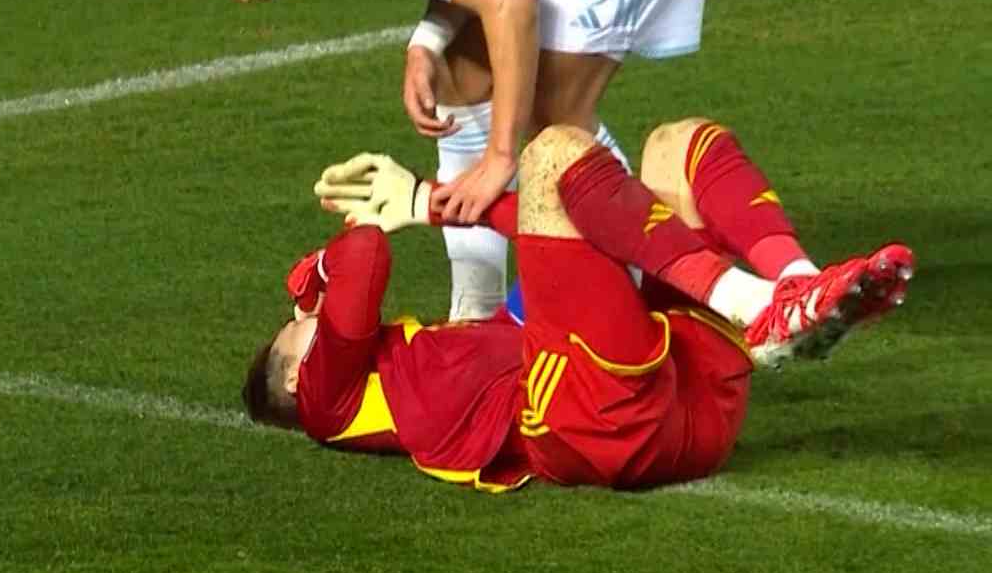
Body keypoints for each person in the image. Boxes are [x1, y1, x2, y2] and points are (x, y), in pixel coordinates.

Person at [146, 0, 727, 321]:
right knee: (458, 76)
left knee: (555, 120)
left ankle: (700, 299)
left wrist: (500, 159)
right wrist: (429, 37)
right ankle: (475, 315)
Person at [242, 120, 913, 491]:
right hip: (588, 424)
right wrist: (317, 277)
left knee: (675, 146)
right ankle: (758, 303)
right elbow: (364, 256)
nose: (307, 321)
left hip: (676, 407)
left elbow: (563, 240)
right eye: (294, 332)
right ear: (297, 375)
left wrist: (427, 201)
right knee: (553, 154)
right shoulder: (328, 403)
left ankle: (797, 285)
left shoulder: (448, 356)